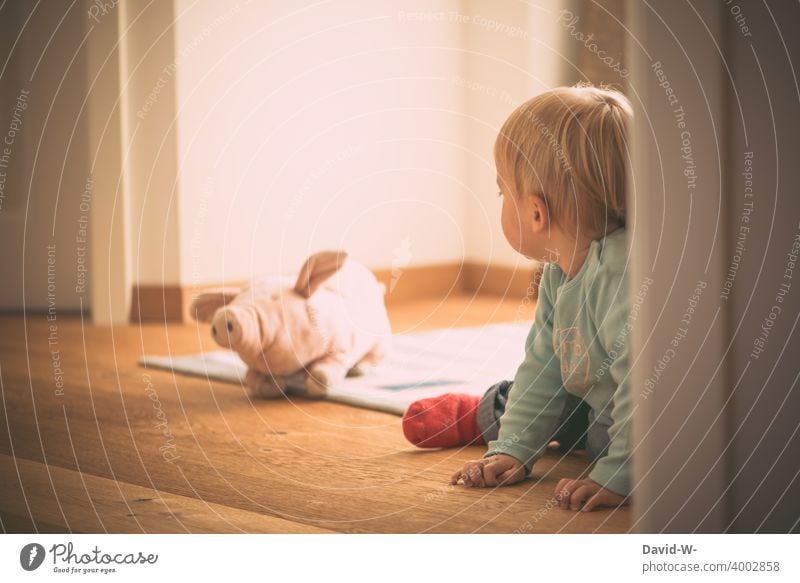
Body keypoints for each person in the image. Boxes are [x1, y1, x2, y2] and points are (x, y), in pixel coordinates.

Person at [402, 84, 635, 512]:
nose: (499, 202)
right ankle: (489, 416)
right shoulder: (558, 270)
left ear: (535, 213)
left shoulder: (625, 276)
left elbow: (649, 387)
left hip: (647, 414)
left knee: (604, 440)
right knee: (543, 396)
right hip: (594, 395)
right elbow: (544, 364)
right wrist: (511, 450)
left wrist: (619, 476)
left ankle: (486, 413)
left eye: (500, 193)